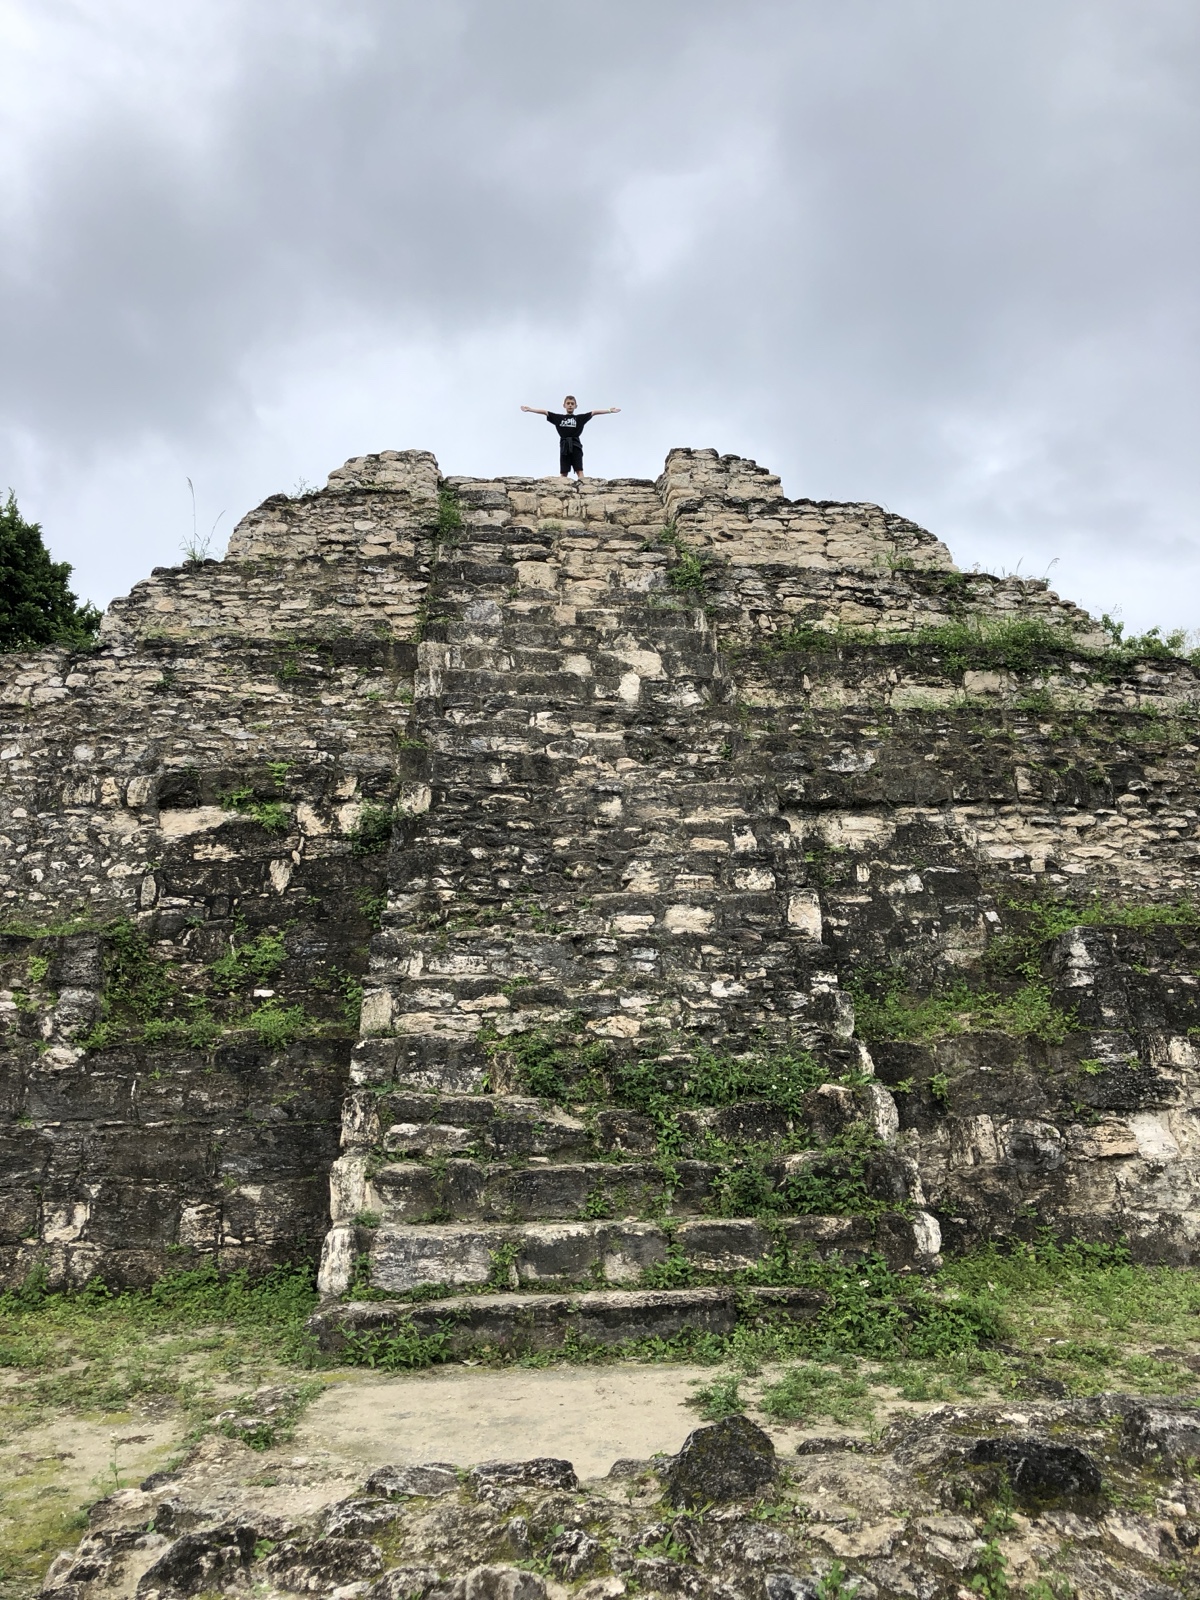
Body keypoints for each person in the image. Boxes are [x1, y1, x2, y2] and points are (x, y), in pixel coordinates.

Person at [520, 396, 620, 480]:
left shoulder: (579, 418)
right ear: (564, 405)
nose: (570, 405)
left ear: (576, 406)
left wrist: (609, 410)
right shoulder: (559, 418)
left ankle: (583, 487)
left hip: (576, 444)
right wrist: (530, 409)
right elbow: (545, 412)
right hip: (564, 446)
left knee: (579, 470)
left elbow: (594, 412)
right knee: (564, 472)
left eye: (572, 403)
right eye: (568, 403)